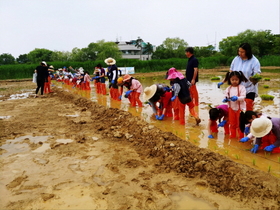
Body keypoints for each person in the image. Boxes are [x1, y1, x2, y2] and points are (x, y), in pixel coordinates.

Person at [218, 43, 261, 111]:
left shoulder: (254, 61)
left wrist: (254, 79)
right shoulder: (236, 59)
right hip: (237, 88)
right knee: (237, 108)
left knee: (248, 109)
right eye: (239, 51)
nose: (240, 53)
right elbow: (231, 72)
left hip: (249, 89)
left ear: (247, 51)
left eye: (242, 52)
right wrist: (223, 81)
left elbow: (257, 74)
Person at [222, 71, 247, 139]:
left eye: (236, 80)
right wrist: (225, 99)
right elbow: (225, 96)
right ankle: (232, 137)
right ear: (230, 80)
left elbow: (243, 97)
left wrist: (237, 98)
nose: (234, 81)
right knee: (232, 124)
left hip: (241, 109)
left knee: (240, 124)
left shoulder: (242, 87)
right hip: (231, 108)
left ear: (239, 80)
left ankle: (241, 137)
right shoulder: (228, 88)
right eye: (232, 80)